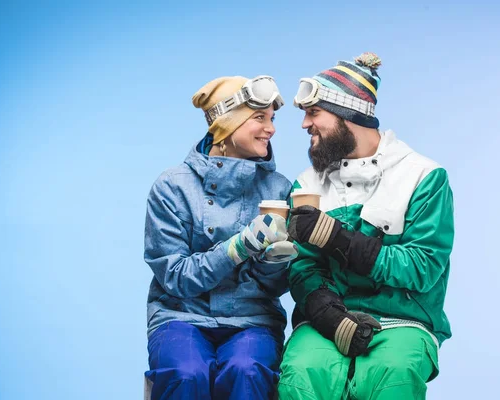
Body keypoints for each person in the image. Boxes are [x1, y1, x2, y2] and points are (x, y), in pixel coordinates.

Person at [278, 53, 455, 400]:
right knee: (301, 373)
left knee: (394, 375)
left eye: (314, 113)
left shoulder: (423, 176)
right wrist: (331, 317)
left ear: (349, 114)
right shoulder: (306, 185)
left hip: (404, 321)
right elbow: (302, 266)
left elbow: (423, 266)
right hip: (325, 322)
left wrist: (337, 238)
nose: (304, 125)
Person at [143, 75, 298, 400]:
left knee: (247, 370)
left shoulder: (278, 189)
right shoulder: (172, 187)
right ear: (227, 124)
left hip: (252, 319)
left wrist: (273, 263)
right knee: (186, 373)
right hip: (180, 314)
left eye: (272, 118)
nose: (271, 129)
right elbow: (174, 277)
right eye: (259, 117)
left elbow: (273, 288)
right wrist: (238, 247)